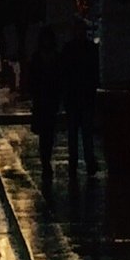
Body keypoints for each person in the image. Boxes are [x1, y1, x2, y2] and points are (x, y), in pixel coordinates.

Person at [61, 18, 100, 178]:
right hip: (76, 97)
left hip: (83, 96)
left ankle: (85, 162)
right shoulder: (74, 49)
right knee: (77, 133)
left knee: (83, 133)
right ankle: (77, 162)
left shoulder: (81, 48)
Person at [28, 25, 63, 181]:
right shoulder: (38, 58)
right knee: (44, 133)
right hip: (41, 100)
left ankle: (46, 160)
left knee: (49, 133)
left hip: (51, 100)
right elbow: (32, 79)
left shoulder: (56, 57)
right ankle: (45, 161)